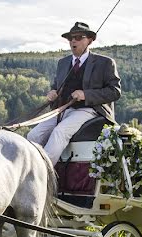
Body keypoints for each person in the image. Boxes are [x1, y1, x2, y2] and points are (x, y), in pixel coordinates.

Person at [27, 21, 121, 164]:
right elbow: (57, 86)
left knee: (60, 132)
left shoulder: (105, 63)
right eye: (71, 38)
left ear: (89, 40)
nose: (73, 41)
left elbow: (114, 91)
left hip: (89, 110)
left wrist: (86, 94)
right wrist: (53, 93)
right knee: (33, 135)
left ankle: (43, 174)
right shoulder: (63, 63)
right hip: (63, 110)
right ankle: (32, 166)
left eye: (78, 37)